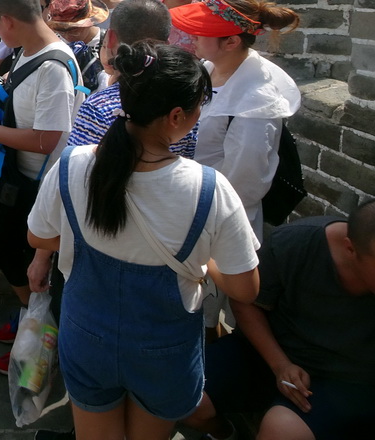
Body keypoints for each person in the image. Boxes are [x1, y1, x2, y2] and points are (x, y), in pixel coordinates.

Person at [27, 42, 260, 440]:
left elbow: (39, 235)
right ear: (175, 116)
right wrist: (203, 263)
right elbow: (245, 288)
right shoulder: (209, 189)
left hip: (86, 332)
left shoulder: (75, 163)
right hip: (162, 349)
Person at [0, 0, 82, 374]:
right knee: (5, 245)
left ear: (7, 21)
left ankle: (40, 338)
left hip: (40, 186)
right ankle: (31, 317)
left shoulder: (53, 68)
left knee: (19, 253)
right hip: (17, 177)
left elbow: (48, 139)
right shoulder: (28, 53)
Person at [184, 201, 375, 440]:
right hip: (268, 352)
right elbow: (246, 302)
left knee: (281, 430)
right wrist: (280, 364)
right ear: (350, 248)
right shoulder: (297, 243)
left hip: (345, 379)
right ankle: (225, 434)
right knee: (182, 392)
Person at [170, 0, 301, 240]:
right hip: (186, 206)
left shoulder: (254, 104)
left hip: (217, 226)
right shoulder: (209, 68)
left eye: (202, 29)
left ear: (231, 41)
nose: (193, 33)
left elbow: (243, 186)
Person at [67, 0, 197, 159]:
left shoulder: (97, 109)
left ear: (112, 38)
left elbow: (73, 172)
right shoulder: (186, 107)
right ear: (167, 42)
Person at [44, 0, 110, 92]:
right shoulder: (52, 44)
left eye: (74, 30)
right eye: (61, 30)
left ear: (90, 20)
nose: (68, 36)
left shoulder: (107, 43)